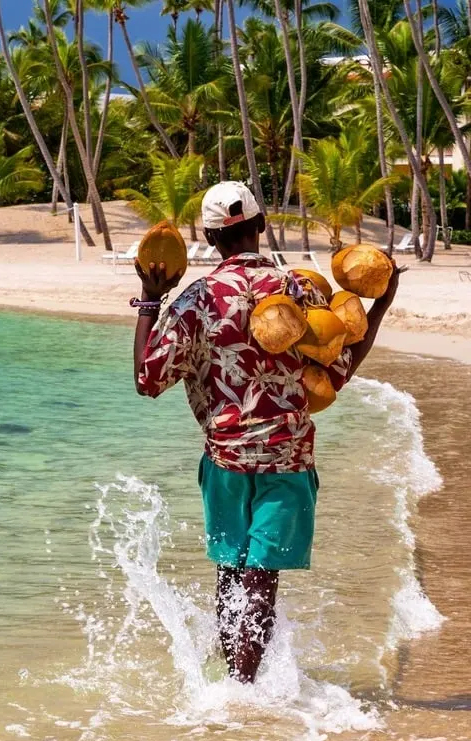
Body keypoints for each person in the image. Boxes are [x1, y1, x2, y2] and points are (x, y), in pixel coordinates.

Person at [132, 181, 400, 683]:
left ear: (211, 239)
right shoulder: (298, 290)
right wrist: (379, 307)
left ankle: (232, 688)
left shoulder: (194, 301)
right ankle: (244, 692)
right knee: (260, 578)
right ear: (260, 226)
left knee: (231, 573)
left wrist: (150, 302)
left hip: (224, 458)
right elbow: (336, 370)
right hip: (288, 457)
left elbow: (148, 380)